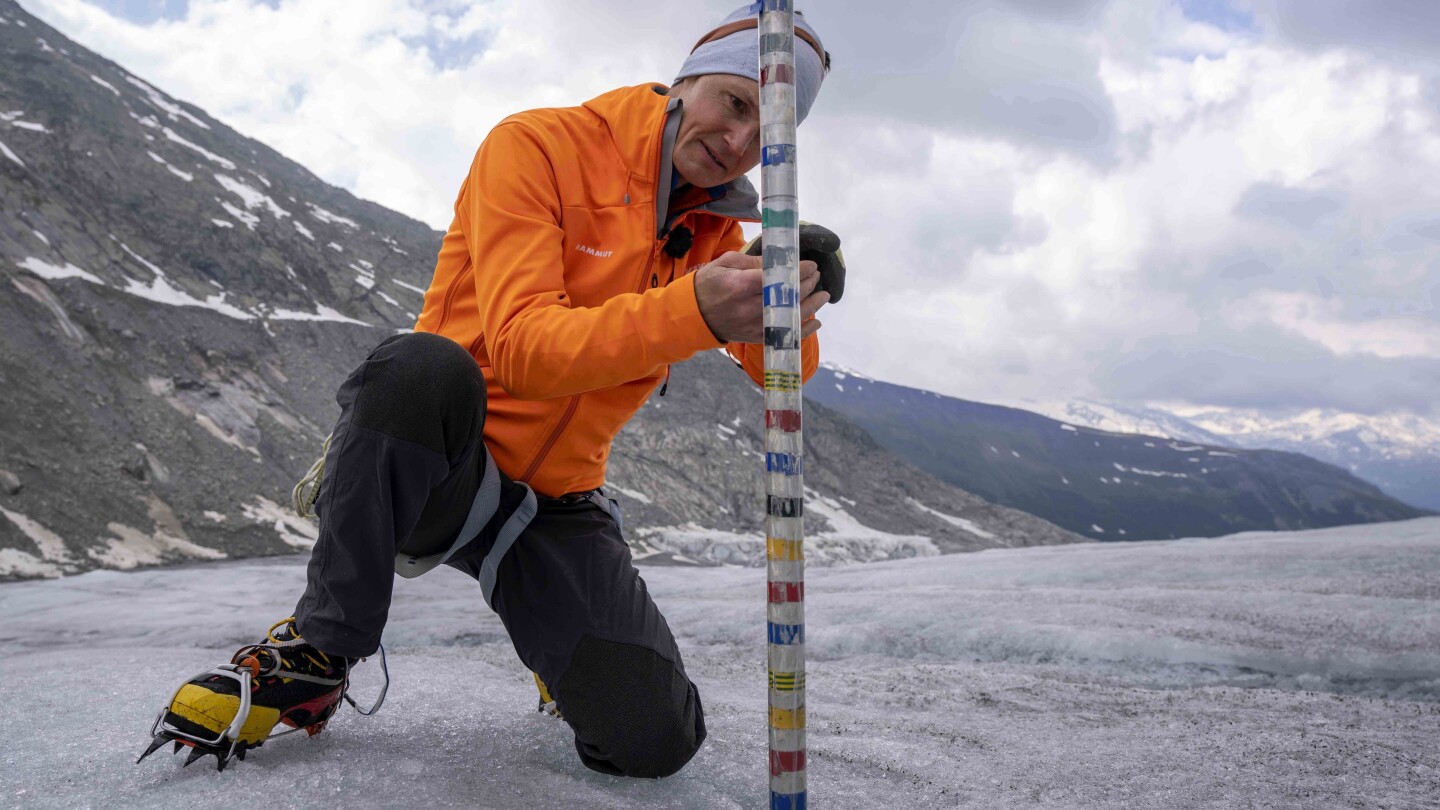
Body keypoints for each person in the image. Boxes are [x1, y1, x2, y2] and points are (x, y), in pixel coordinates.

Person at [139, 6, 843, 778]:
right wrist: (694, 308)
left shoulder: (710, 232)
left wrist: (794, 292)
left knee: (652, 740)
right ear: (685, 82)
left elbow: (783, 369)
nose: (741, 141)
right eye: (735, 103)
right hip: (444, 464)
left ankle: (557, 649)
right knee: (417, 365)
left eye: (768, 133)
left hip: (556, 505)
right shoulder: (540, 146)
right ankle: (321, 650)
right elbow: (522, 350)